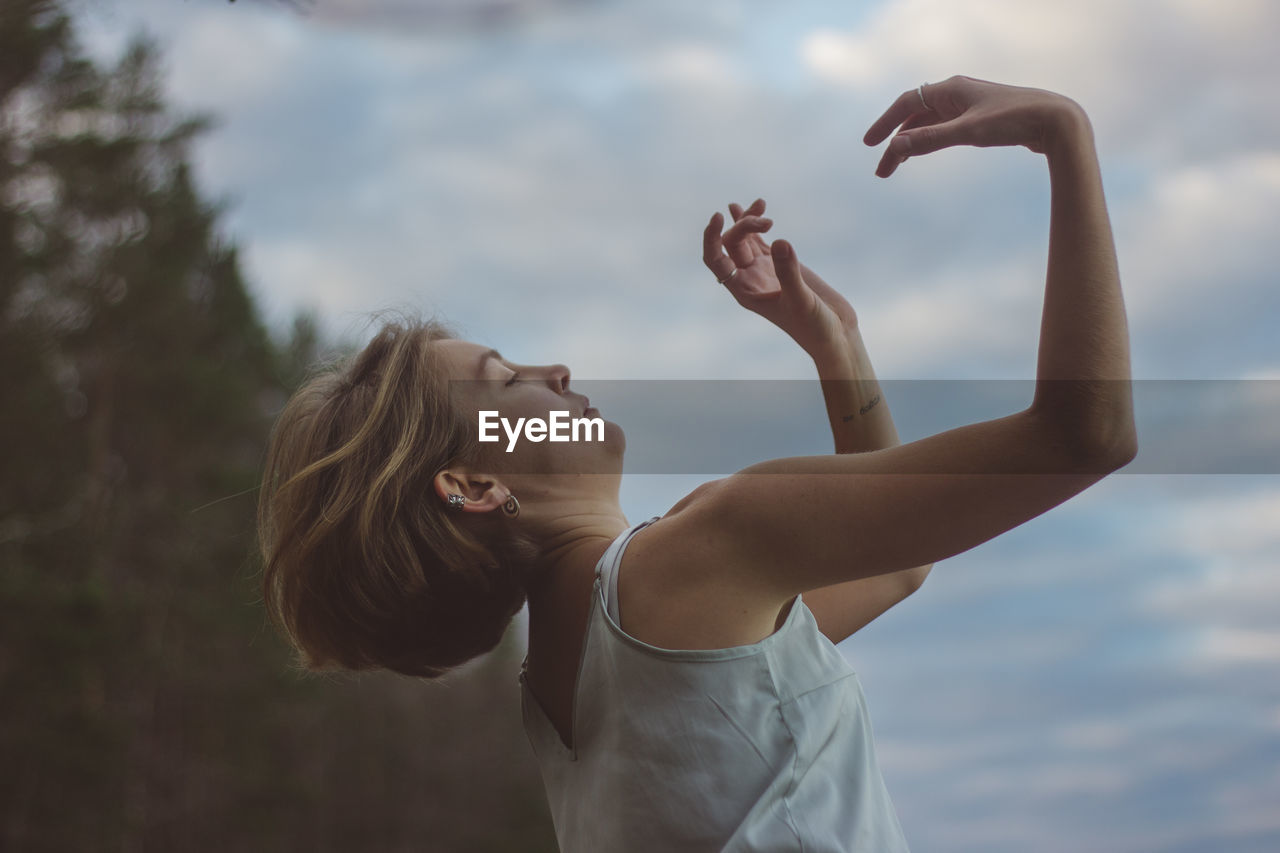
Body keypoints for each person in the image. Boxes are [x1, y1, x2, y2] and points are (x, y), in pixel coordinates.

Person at [258, 76, 1136, 852]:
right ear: (476, 486)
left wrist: (838, 345)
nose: (553, 372)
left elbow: (899, 564)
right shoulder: (703, 551)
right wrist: (1065, 135)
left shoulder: (559, 696)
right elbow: (1082, 435)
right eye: (504, 380)